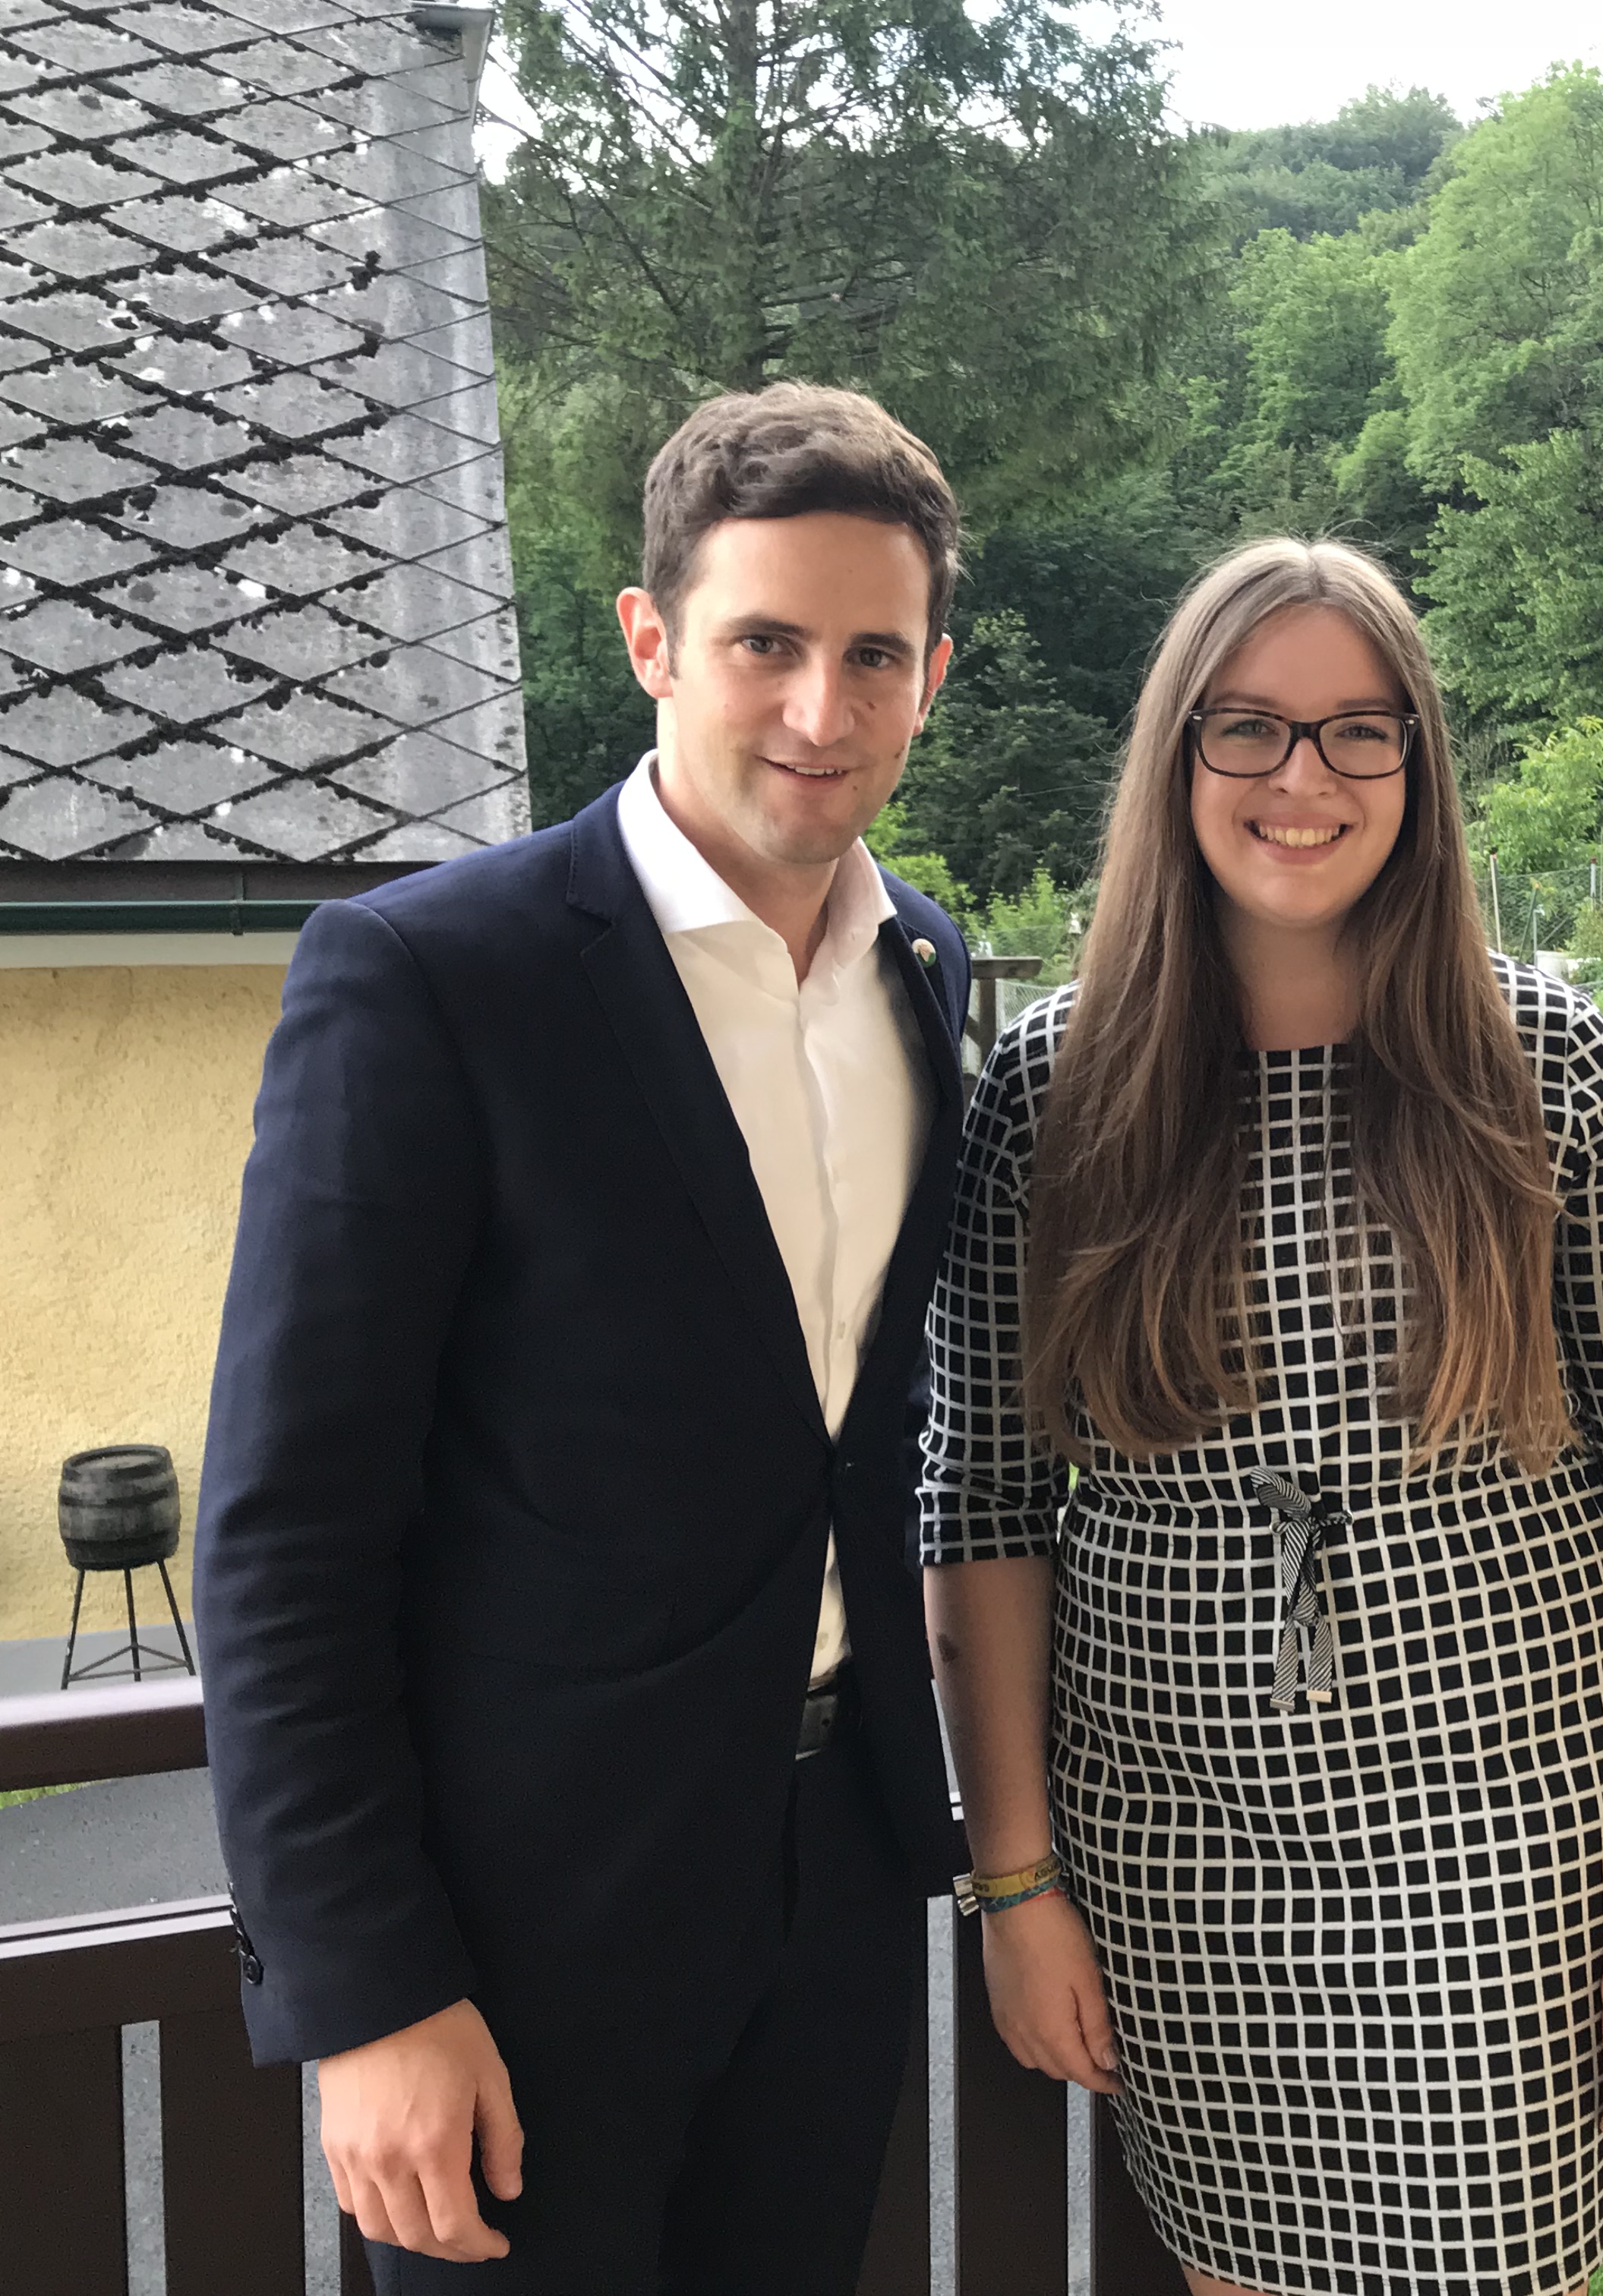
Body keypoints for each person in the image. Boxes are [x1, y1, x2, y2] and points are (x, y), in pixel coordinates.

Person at [196, 383, 973, 2292]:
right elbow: (288, 1536)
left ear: (931, 677)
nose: (822, 710)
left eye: (874, 655)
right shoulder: (430, 977)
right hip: (520, 1930)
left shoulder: (924, 969)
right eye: (765, 643)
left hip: (834, 1889)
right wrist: (369, 1990)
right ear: (650, 641)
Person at [920, 536, 1603, 2296]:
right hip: (1180, 1857)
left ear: (1418, 766)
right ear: (1178, 754)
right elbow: (981, 1500)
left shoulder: (1546, 1062)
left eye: (1359, 730)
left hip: (1508, 1840)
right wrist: (1016, 1884)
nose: (1303, 778)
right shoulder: (1057, 1088)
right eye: (1249, 726)